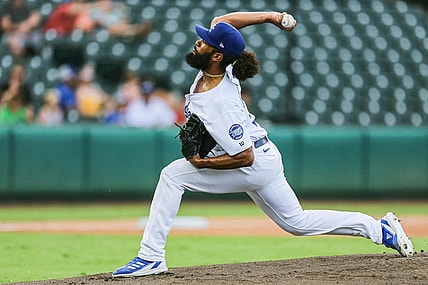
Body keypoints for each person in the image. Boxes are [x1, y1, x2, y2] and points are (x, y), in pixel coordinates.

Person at [112, 11, 414, 278]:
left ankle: (150, 256)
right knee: (297, 222)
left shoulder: (221, 102)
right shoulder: (219, 68)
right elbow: (223, 22)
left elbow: (244, 156)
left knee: (172, 176)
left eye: (204, 42)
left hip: (252, 163)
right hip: (265, 157)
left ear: (217, 55)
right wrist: (269, 16)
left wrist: (203, 163)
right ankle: (379, 229)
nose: (198, 42)